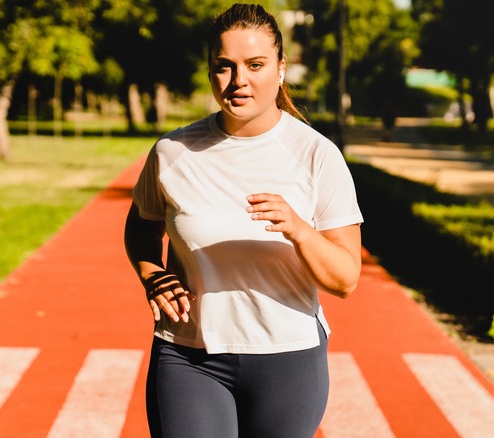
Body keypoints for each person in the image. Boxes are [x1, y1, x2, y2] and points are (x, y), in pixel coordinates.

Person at [124, 4, 364, 437]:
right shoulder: (172, 152)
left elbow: (345, 279)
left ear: (281, 68)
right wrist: (150, 274)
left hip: (287, 359)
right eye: (224, 67)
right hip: (187, 355)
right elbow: (142, 225)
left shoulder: (316, 155)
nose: (239, 81)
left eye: (255, 65)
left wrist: (298, 229)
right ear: (210, 71)